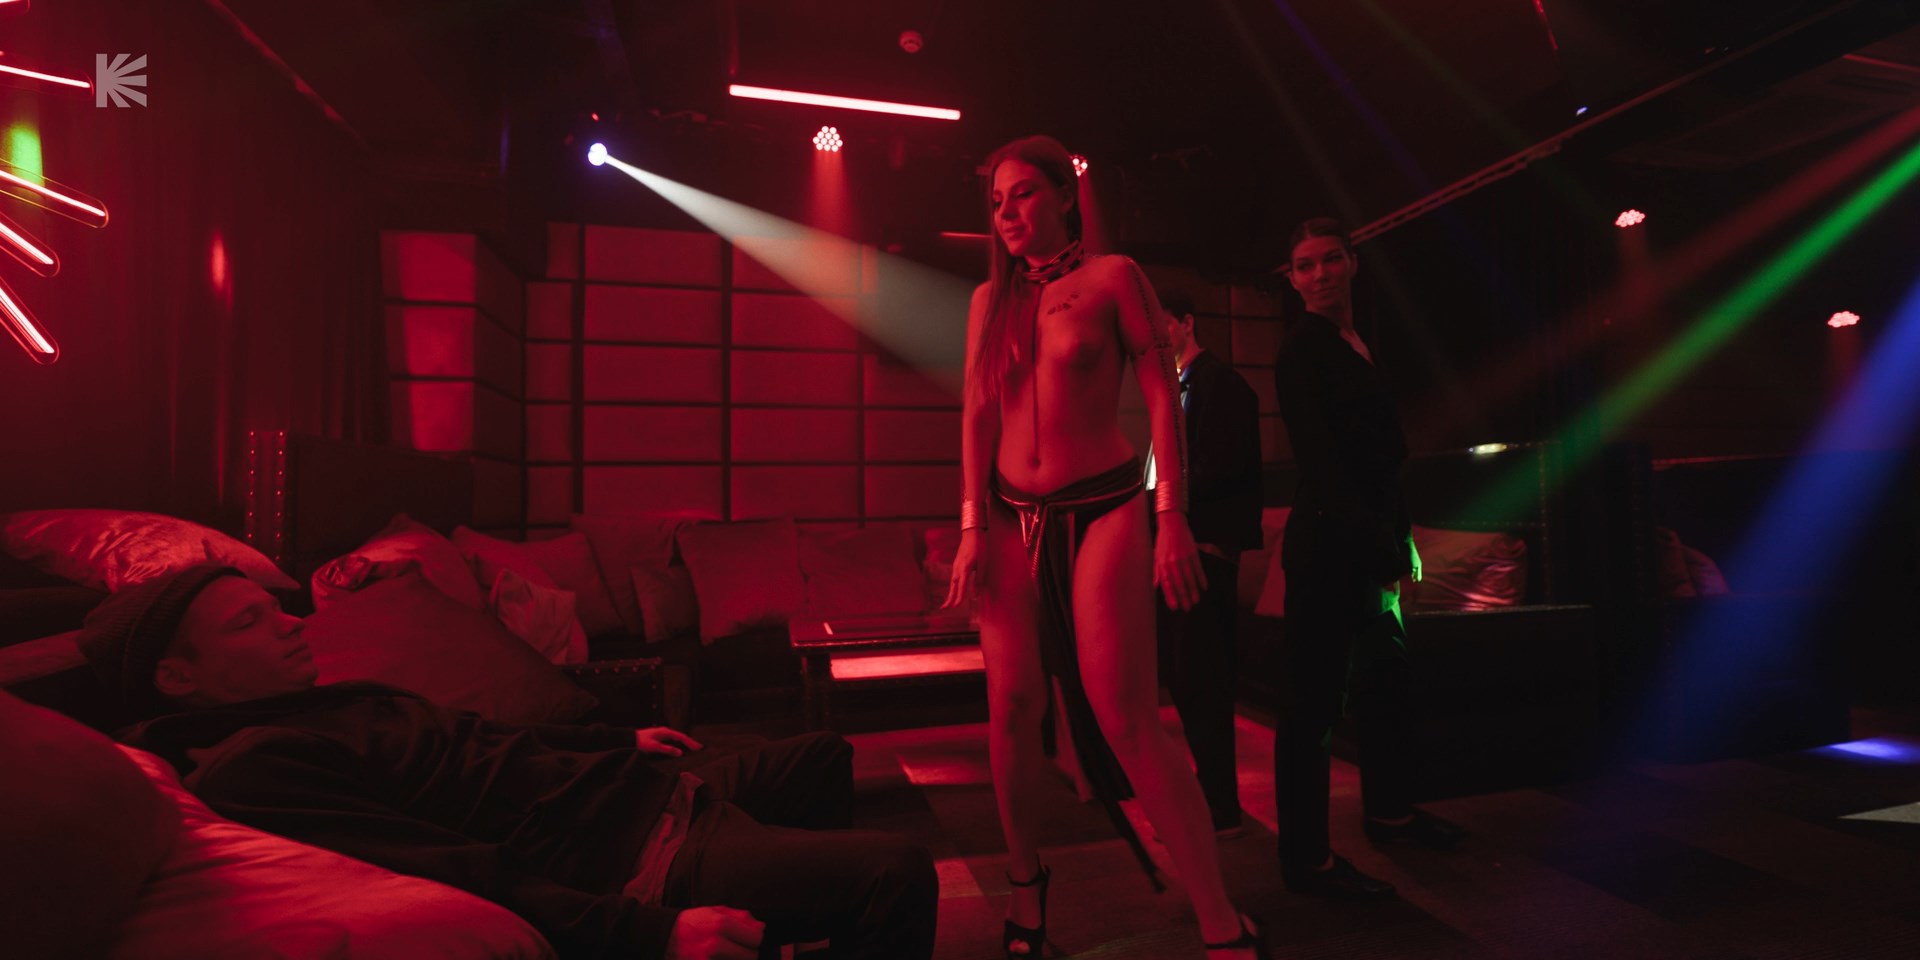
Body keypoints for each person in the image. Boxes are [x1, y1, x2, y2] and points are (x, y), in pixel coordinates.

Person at [75, 563, 937, 960]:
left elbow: (483, 741)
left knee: (821, 754)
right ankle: (768, 903)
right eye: (249, 623)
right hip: (632, 853)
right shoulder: (252, 768)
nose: (291, 622)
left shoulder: (316, 703)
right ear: (176, 677)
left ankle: (783, 921)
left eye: (275, 608)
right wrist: (648, 933)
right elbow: (450, 867)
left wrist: (617, 742)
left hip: (630, 788)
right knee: (894, 873)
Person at [943, 134, 1266, 960]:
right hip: (1010, 514)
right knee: (1011, 708)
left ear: (1064, 194)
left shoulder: (1115, 277)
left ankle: (1217, 914)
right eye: (996, 201)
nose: (1007, 212)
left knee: (1126, 714)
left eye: (1022, 193)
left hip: (1104, 504)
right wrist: (971, 527)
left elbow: (1162, 398)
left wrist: (1173, 518)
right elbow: (976, 415)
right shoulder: (989, 300)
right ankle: (1025, 890)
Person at [1270, 217, 1466, 901]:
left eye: (1330, 259)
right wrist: (1383, 544)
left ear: (1353, 264)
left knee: (1387, 688)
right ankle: (1306, 859)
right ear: (1292, 280)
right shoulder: (1302, 349)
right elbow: (1323, 468)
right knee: (1312, 708)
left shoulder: (1355, 342)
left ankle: (1390, 814)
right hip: (1330, 550)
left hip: (1367, 541)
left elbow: (1380, 461)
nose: (1320, 273)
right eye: (1305, 265)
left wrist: (1399, 537)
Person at [1150, 288, 1264, 836]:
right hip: (1184, 549)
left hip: (1203, 551)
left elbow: (1222, 469)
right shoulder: (1176, 388)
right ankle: (1212, 799)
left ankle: (1219, 805)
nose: (1152, 340)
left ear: (1186, 323)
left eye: (1160, 327)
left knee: (1201, 680)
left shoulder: (1220, 384)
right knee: (1186, 676)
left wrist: (1160, 504)